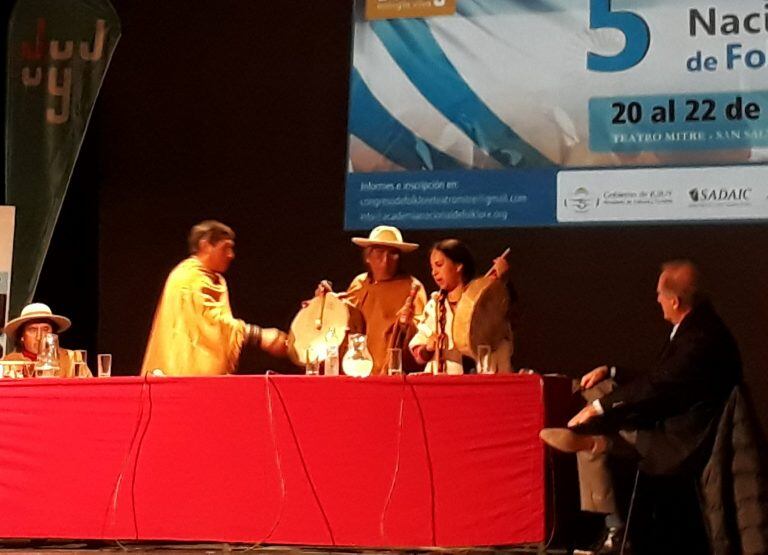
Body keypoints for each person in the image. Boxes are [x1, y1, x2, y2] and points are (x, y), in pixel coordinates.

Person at [539, 260, 742, 553]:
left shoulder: (701, 338)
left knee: (608, 416)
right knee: (598, 389)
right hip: (675, 412)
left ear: (674, 301)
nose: (656, 299)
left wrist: (599, 407)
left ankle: (595, 443)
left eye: (660, 294)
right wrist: (610, 372)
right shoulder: (695, 324)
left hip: (685, 436)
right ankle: (592, 440)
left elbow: (659, 385)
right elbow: (662, 376)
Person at [141, 220, 288, 376]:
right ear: (205, 246)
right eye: (226, 248)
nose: (231, 255)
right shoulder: (187, 278)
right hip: (181, 375)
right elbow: (209, 322)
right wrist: (258, 336)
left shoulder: (215, 279)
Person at [316, 225, 427, 375]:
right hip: (354, 370)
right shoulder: (360, 283)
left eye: (393, 254)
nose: (386, 260)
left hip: (387, 373)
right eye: (379, 252)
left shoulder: (411, 287)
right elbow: (346, 314)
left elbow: (421, 334)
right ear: (368, 257)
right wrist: (328, 301)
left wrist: (407, 325)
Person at [409, 239, 515, 374]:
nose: (434, 272)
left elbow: (508, 319)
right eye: (432, 268)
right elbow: (419, 352)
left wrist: (502, 281)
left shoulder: (485, 302)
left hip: (485, 378)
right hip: (447, 384)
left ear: (459, 265)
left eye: (439, 265)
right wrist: (428, 348)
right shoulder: (434, 306)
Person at [1, 302, 91, 377]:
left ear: (54, 335)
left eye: (45, 329)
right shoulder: (8, 364)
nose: (39, 337)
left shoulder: (72, 360)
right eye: (33, 330)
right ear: (22, 336)